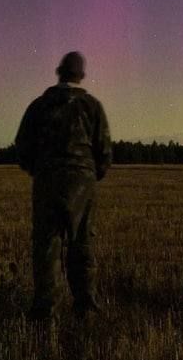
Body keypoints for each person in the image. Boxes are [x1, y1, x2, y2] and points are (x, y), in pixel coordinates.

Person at [15, 51, 112, 322]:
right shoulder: (92, 106)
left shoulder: (39, 106)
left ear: (58, 72)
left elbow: (22, 147)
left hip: (47, 181)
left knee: (47, 246)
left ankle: (45, 314)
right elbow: (104, 152)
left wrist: (39, 171)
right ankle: (86, 310)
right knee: (82, 244)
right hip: (83, 182)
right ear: (81, 75)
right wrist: (91, 176)